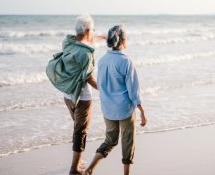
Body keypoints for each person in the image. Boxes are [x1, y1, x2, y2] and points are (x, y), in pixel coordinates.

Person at [84, 25, 147, 175]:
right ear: (123, 41)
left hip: (108, 109)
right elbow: (133, 91)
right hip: (125, 109)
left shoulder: (102, 60)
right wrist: (142, 111)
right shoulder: (126, 61)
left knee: (110, 140)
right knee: (127, 142)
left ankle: (90, 168)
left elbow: (101, 85)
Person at [46, 14, 104, 175]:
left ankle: (78, 161)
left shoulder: (68, 43)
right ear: (87, 30)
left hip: (67, 95)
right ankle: (74, 169)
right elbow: (89, 78)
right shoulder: (86, 54)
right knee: (81, 131)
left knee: (77, 128)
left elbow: (84, 43)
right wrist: (104, 89)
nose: (93, 32)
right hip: (83, 98)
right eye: (92, 30)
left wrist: (100, 37)